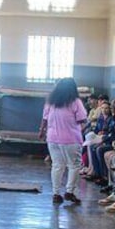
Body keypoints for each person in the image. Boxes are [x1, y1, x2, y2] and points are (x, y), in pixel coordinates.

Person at [39, 77, 87, 205]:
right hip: (71, 139)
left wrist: (42, 131)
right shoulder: (75, 102)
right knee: (74, 165)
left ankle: (56, 194)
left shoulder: (51, 101)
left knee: (57, 166)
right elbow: (82, 119)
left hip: (53, 138)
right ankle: (69, 192)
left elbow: (44, 118)